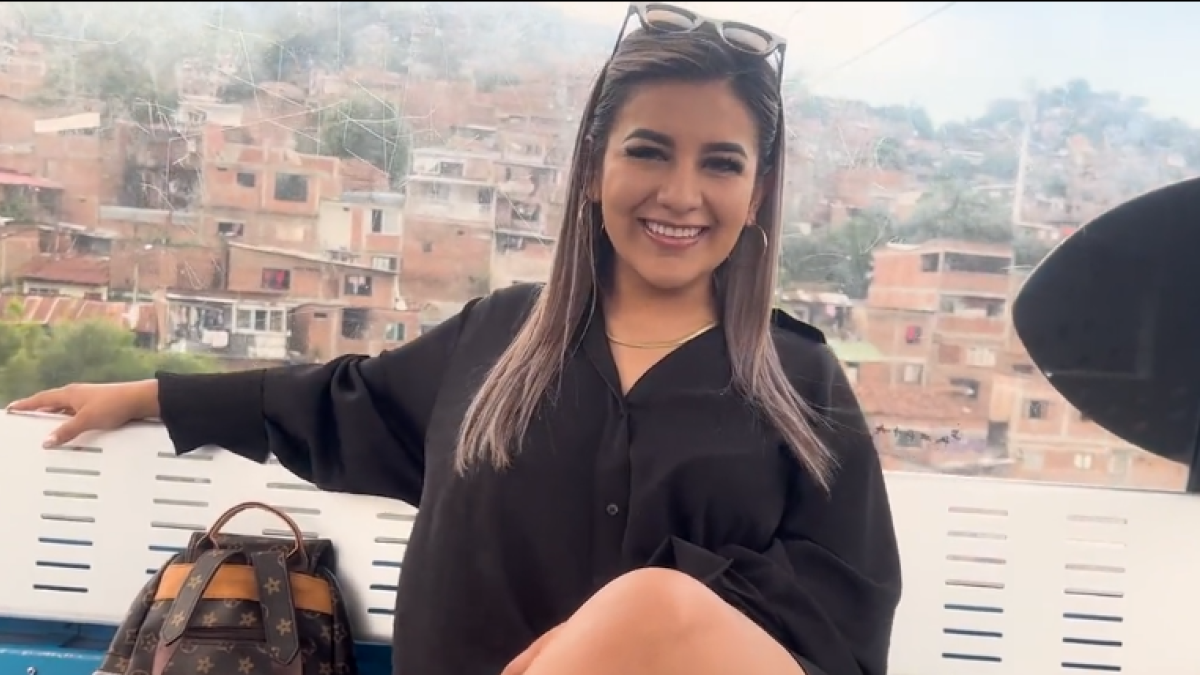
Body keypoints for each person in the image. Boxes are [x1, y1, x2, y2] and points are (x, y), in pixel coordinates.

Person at [9, 4, 902, 675]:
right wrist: (149, 396)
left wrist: (639, 624)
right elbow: (333, 404)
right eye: (649, 150)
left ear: (758, 191)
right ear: (594, 168)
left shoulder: (801, 383)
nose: (680, 193)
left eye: (721, 163)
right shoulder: (498, 342)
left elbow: (840, 618)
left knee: (653, 603)